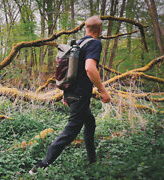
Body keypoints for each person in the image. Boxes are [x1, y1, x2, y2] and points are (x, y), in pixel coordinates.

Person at [29, 16, 111, 175]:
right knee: (70, 132)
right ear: (100, 30)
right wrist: (103, 90)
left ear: (86, 28)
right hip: (80, 95)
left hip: (71, 93)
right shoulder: (94, 43)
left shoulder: (78, 44)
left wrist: (66, 95)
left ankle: (92, 161)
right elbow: (89, 68)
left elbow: (69, 72)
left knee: (90, 122)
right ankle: (40, 166)